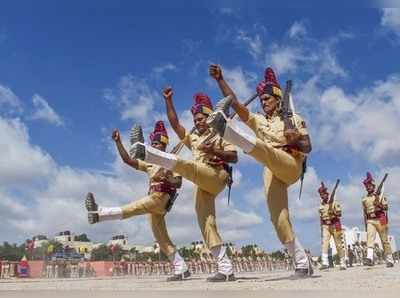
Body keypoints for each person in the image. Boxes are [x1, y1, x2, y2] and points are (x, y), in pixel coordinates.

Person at [206, 64, 313, 278]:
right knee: (279, 220)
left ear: (278, 99)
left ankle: (226, 129)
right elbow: (235, 103)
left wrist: (296, 139)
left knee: (264, 150)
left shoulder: (294, 118)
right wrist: (220, 80)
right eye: (261, 100)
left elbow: (308, 146)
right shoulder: (259, 120)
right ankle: (302, 262)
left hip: (291, 163)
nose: (263, 103)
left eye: (267, 99)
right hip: (271, 168)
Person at [130, 88, 238, 282]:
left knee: (184, 164)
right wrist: (169, 101)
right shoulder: (193, 139)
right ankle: (226, 268)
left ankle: (145, 152)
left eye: (201, 118)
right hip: (201, 182)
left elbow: (234, 157)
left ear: (210, 117)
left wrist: (215, 150)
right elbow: (175, 124)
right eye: (195, 120)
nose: (198, 122)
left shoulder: (220, 132)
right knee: (206, 224)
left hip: (216, 175)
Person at [85, 121, 190, 281]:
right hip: (154, 200)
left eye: (157, 143)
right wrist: (118, 142)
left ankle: (100, 213)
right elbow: (128, 160)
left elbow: (179, 183)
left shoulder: (172, 160)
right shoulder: (149, 163)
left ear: (164, 144)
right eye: (152, 143)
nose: (154, 146)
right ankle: (181, 268)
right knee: (161, 238)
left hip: (161, 198)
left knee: (134, 207)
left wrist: (167, 178)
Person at [362, 172, 394, 267]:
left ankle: (390, 259)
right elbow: (364, 212)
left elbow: (385, 207)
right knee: (370, 239)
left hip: (380, 218)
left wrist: (378, 205)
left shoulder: (380, 196)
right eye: (366, 186)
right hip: (370, 220)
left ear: (373, 186)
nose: (368, 187)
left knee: (384, 240)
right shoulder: (364, 199)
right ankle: (370, 258)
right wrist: (365, 225)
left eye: (369, 186)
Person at [318, 182, 346, 270]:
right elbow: (321, 219)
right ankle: (325, 263)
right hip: (326, 225)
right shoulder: (321, 206)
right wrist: (321, 229)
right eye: (321, 195)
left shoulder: (334, 202)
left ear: (327, 194)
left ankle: (342, 262)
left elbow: (340, 213)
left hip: (335, 224)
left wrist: (333, 212)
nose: (323, 196)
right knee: (324, 244)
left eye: (324, 194)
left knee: (338, 244)